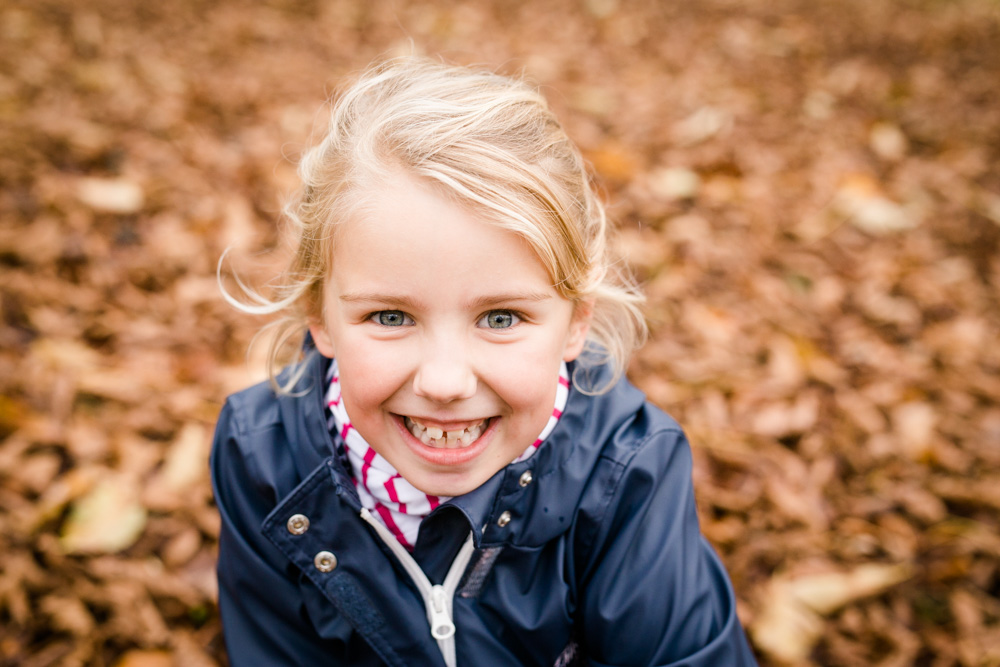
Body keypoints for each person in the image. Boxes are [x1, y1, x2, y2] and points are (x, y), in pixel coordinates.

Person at [211, 56, 757, 666]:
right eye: (391, 318)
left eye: (500, 319)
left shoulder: (627, 474)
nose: (445, 383)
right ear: (320, 316)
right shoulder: (263, 457)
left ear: (577, 319)